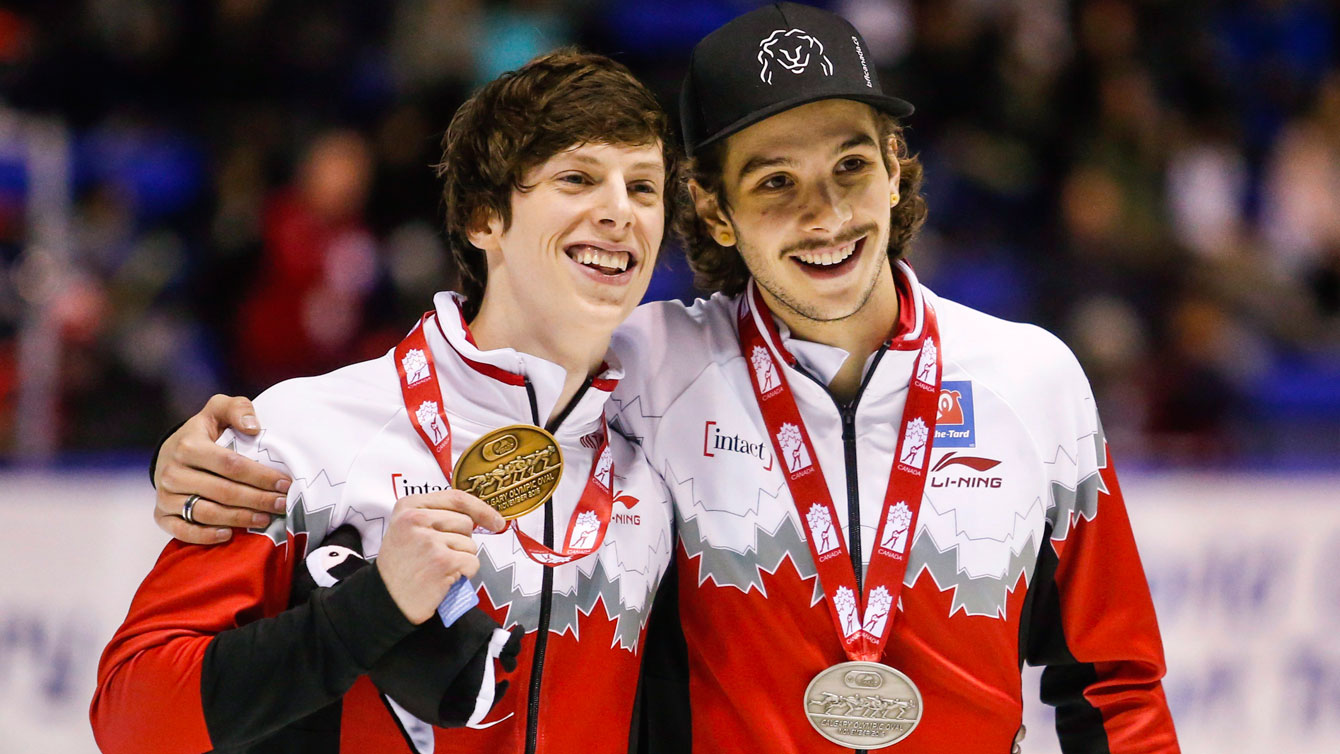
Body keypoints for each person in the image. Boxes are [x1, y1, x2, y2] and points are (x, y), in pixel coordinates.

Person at [151, 4, 1180, 753]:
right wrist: (226, 454)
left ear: (899, 168)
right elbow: (475, 368)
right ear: (715, 213)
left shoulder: (1031, 379)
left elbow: (1114, 685)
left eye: (850, 167)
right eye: (773, 181)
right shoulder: (646, 364)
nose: (822, 214)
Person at [91, 50, 675, 754]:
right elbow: (131, 719)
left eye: (644, 188)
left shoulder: (663, 443)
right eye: (578, 178)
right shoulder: (305, 438)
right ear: (485, 217)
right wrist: (372, 611)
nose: (620, 211)